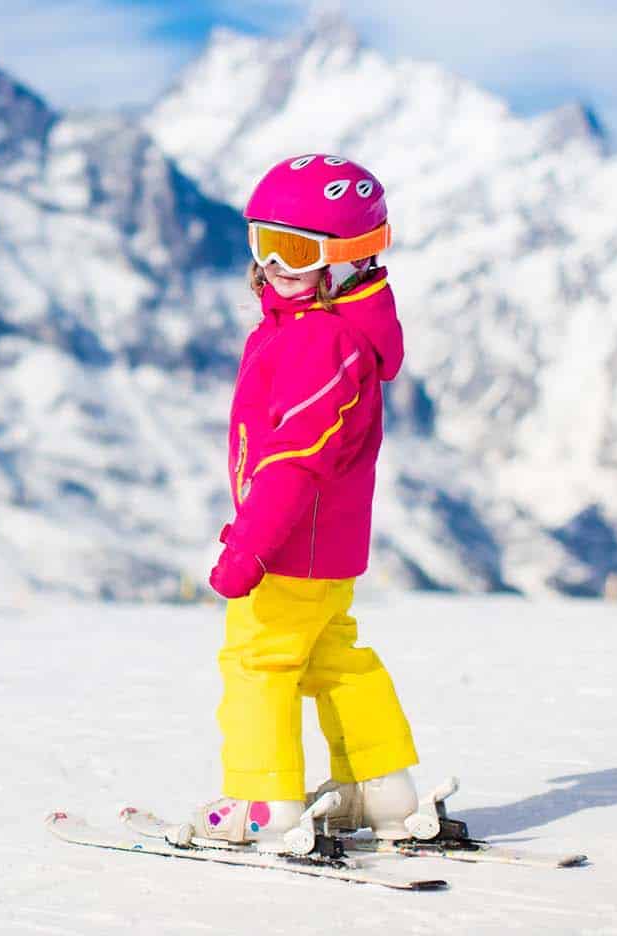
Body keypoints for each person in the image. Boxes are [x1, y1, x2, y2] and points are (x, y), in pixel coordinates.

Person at [191, 154, 424, 846]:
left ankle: (264, 803)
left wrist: (249, 548)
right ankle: (378, 790)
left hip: (290, 547)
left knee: (257, 662)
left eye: (293, 250)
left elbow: (294, 462)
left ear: (351, 259)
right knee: (335, 661)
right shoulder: (333, 332)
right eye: (262, 243)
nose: (272, 266)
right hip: (329, 551)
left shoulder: (318, 342)